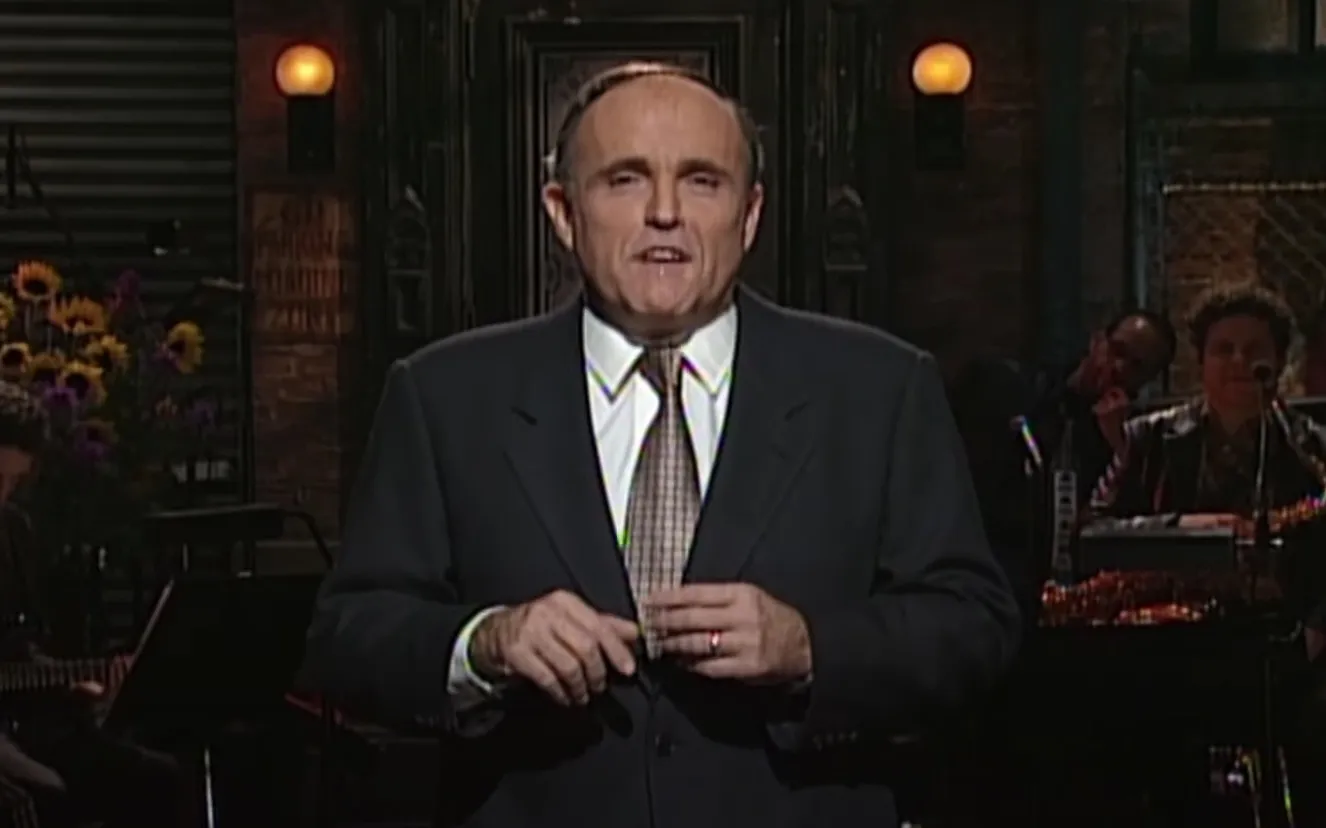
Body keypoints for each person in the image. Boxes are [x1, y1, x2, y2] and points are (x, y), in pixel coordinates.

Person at [301, 61, 1020, 828]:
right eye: (625, 180)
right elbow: (347, 639)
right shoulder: (445, 395)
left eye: (702, 181)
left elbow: (974, 625)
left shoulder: (878, 388)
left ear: (749, 215)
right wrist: (485, 644)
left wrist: (810, 647)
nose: (665, 213)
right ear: (563, 212)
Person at [1088, 282, 1326, 826]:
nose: (1239, 362)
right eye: (1224, 349)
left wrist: (1319, 627)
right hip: (1171, 638)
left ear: (1279, 364)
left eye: (1255, 350)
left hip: (1284, 643)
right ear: (1201, 363)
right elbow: (1093, 531)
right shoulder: (1149, 439)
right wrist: (1183, 527)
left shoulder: (1314, 449)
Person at [0, 380, 184, 828]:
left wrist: (80, 682)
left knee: (157, 778)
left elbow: (25, 649)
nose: (1, 494)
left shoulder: (14, 532)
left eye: (12, 482)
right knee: (38, 799)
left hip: (26, 725)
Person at [949, 310, 1176, 623]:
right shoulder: (1019, 392)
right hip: (990, 574)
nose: (1119, 368)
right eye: (1117, 351)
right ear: (1097, 342)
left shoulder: (1132, 442)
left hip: (1070, 597)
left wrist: (1118, 448)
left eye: (1136, 366)